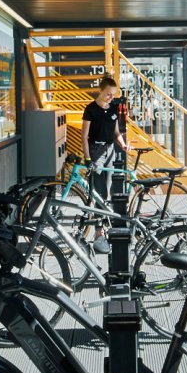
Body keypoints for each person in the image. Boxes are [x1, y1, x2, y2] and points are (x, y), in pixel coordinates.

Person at [82, 77, 131, 252]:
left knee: (109, 191)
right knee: (99, 194)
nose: (111, 97)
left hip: (110, 151)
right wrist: (87, 158)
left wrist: (123, 144)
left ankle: (106, 226)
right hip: (96, 151)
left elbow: (116, 132)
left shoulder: (112, 108)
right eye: (108, 94)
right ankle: (98, 232)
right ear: (100, 91)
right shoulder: (91, 109)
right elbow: (84, 136)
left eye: (113, 95)